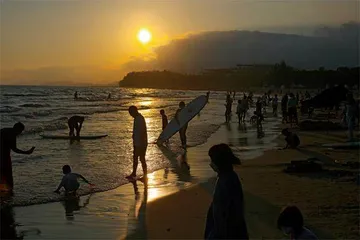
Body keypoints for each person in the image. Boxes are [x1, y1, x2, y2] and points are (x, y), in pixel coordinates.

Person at [204, 144, 248, 239]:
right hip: (236, 228)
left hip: (226, 232)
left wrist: (217, 235)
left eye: (212, 160)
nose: (210, 164)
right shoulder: (231, 176)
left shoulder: (224, 182)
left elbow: (220, 212)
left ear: (218, 163)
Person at [0, 122, 35, 191]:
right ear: (18, 129)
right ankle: (9, 190)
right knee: (8, 175)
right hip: (4, 156)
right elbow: (15, 149)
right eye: (20, 131)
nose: (19, 133)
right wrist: (26, 152)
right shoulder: (12, 134)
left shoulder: (3, 130)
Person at [127, 106, 148, 179]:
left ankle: (145, 175)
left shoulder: (139, 119)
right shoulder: (137, 118)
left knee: (142, 159)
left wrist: (142, 143)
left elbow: (142, 132)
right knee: (135, 158)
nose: (130, 115)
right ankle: (134, 173)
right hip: (137, 142)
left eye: (131, 113)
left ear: (134, 111)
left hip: (141, 143)